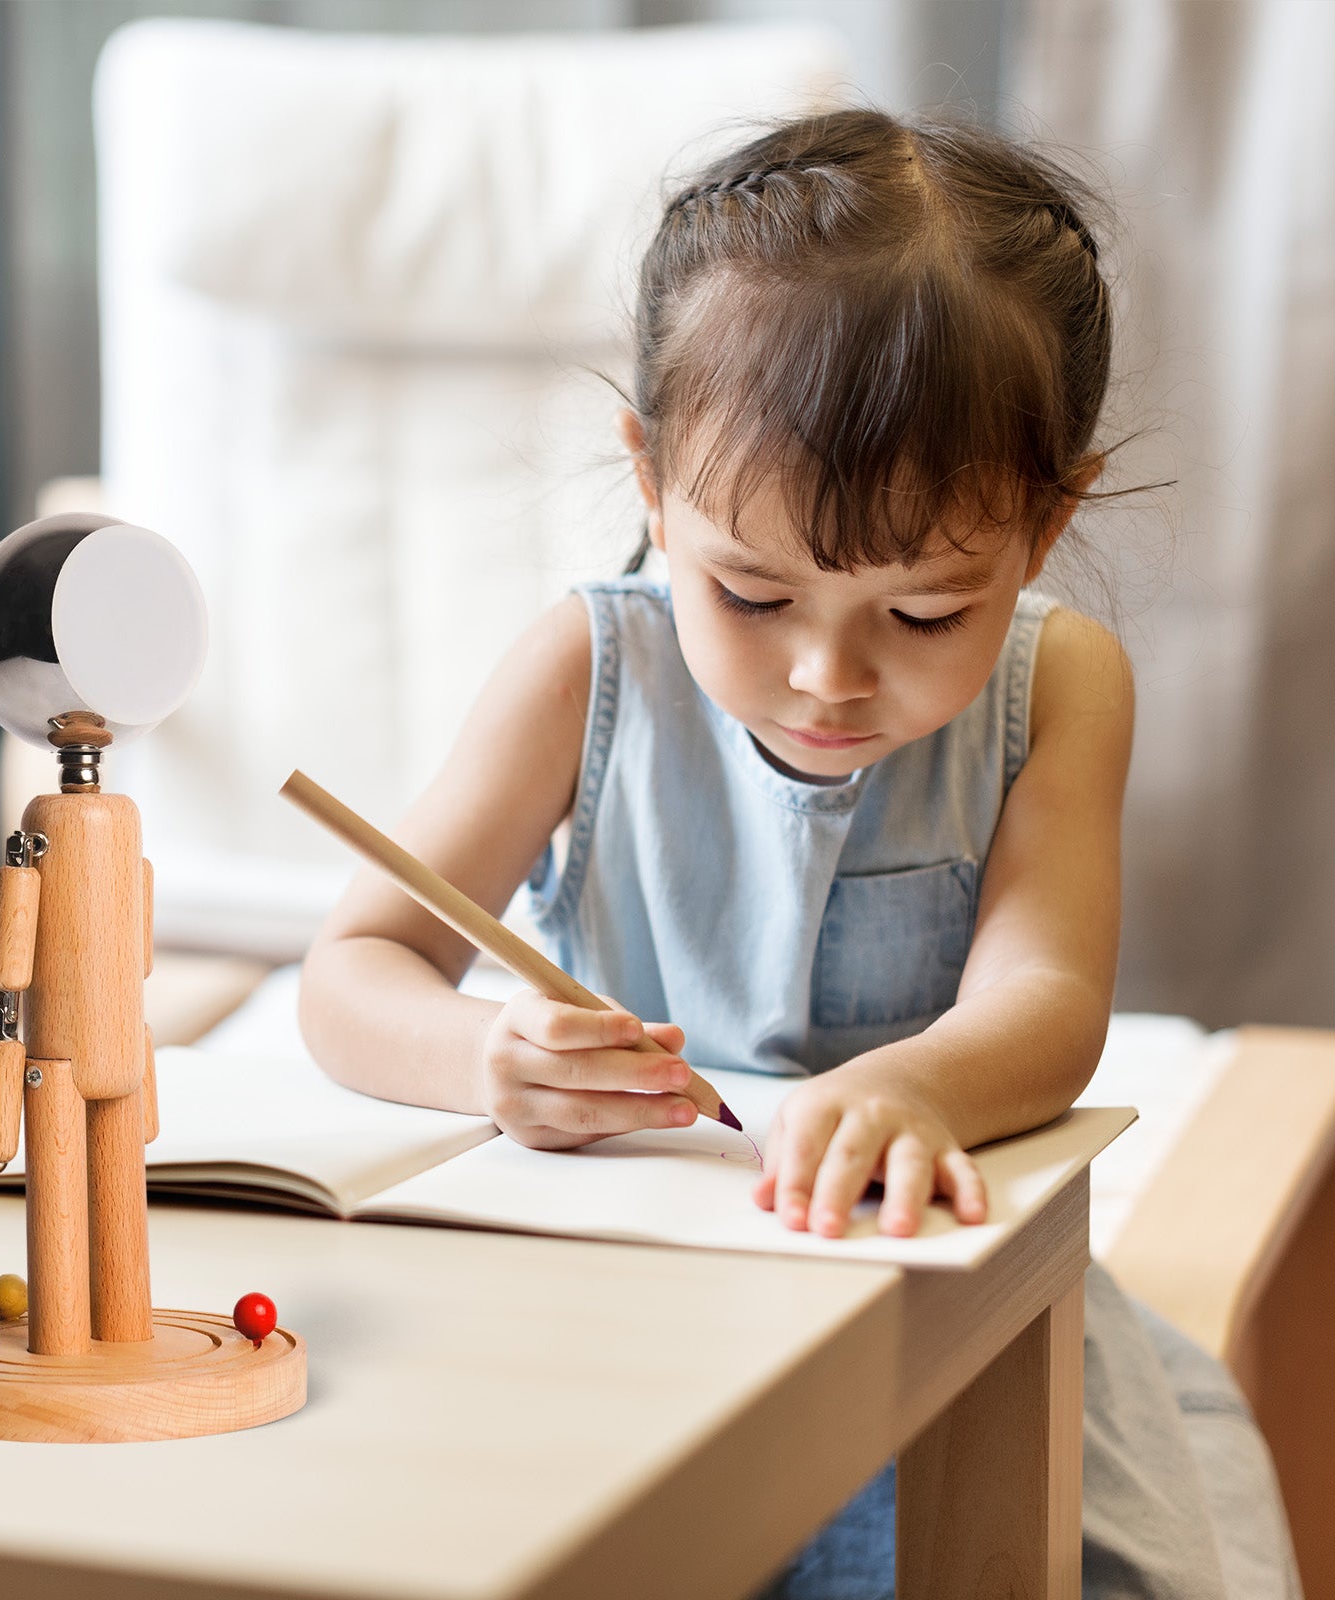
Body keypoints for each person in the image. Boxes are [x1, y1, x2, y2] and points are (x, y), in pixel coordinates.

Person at [299, 109, 1299, 1599]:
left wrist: (913, 1090)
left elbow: (1048, 1000)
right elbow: (354, 969)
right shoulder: (582, 668)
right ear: (651, 483)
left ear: (1045, 527)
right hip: (619, 1294)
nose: (829, 679)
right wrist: (486, 1055)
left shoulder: (1063, 685)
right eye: (754, 598)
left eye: (925, 614)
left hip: (928, 1301)